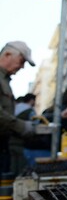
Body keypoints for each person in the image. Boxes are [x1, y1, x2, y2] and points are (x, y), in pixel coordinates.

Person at [0, 41, 37, 174]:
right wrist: (22, 126)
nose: (22, 67)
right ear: (7, 54)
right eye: (21, 61)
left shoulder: (4, 80)